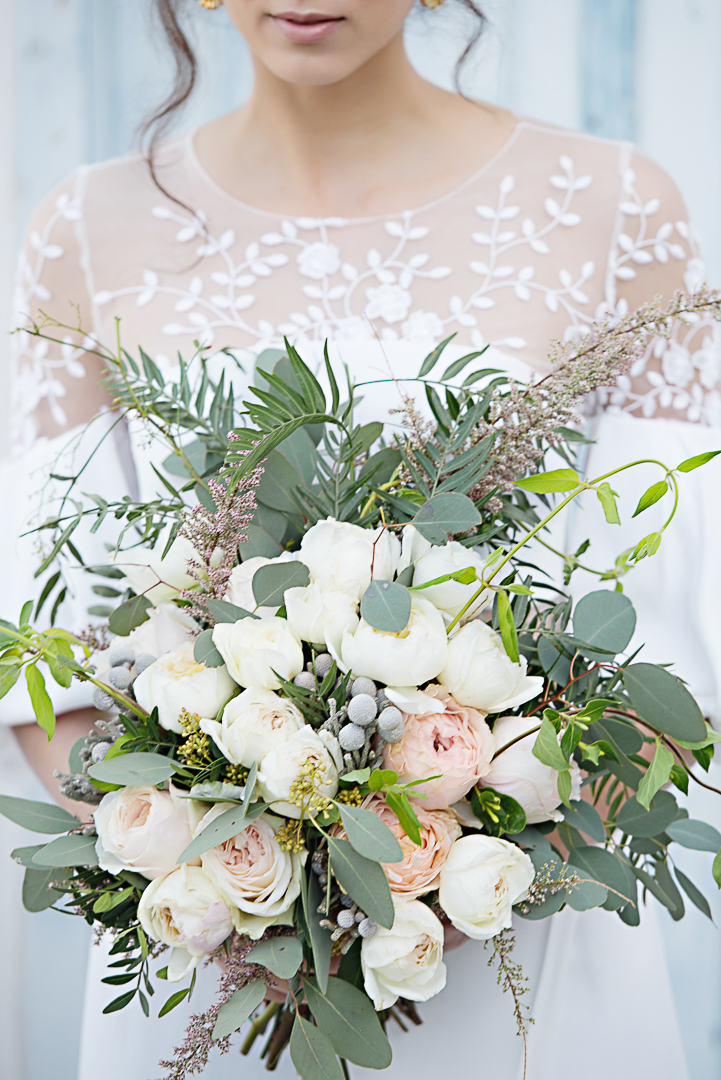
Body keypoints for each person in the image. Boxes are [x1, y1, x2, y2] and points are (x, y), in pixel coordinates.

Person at [3, 1, 717, 1076]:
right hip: (220, 962)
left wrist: (475, 872)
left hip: (524, 927)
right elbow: (43, 644)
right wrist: (209, 870)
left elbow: (678, 636)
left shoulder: (613, 207)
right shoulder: (88, 228)